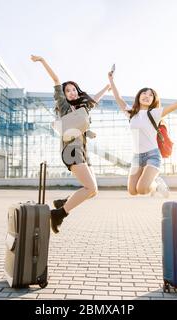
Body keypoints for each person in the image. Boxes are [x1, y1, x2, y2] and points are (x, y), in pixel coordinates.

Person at [31, 55, 111, 233]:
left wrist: (108, 85)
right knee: (90, 187)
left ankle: (63, 204)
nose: (72, 93)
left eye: (74, 89)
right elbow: (56, 80)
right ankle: (59, 213)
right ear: (64, 94)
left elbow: (95, 99)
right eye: (68, 91)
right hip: (71, 151)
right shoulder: (63, 106)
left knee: (93, 191)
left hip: (82, 151)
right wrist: (43, 61)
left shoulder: (83, 107)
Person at [107, 70, 177, 197]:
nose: (147, 96)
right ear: (139, 97)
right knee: (132, 191)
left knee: (142, 189)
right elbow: (118, 98)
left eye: (151, 95)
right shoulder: (131, 113)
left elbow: (175, 105)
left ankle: (155, 184)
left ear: (153, 99)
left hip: (152, 155)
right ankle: (154, 182)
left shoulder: (155, 114)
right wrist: (111, 80)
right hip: (136, 157)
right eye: (144, 93)